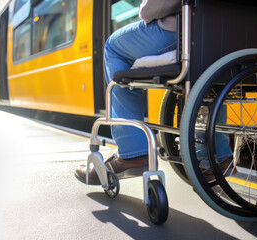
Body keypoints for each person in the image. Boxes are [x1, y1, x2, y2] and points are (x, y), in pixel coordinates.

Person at [75, 0, 233, 185]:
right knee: (210, 76)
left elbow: (152, 9)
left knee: (113, 46)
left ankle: (133, 151)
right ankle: (218, 156)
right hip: (234, 34)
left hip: (187, 30)